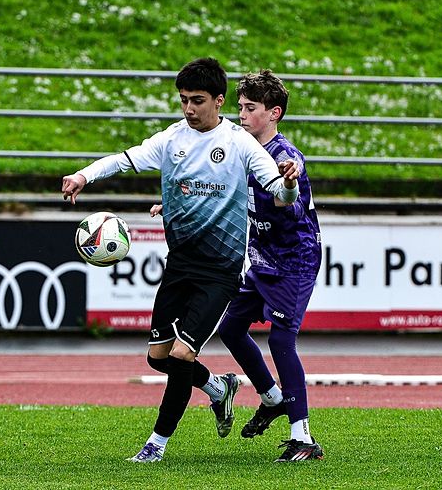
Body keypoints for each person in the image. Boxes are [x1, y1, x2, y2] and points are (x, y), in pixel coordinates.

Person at [62, 57, 300, 463]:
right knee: (157, 358)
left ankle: (155, 446)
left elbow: (280, 192)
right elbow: (124, 159)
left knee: (181, 355)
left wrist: (290, 183)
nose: (189, 108)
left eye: (197, 100)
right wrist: (84, 175)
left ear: (219, 101)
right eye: (184, 100)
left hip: (220, 270)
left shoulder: (239, 144)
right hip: (180, 265)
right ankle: (218, 388)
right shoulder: (172, 138)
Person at [217, 70, 324, 462]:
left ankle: (303, 438)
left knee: (280, 341)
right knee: (230, 329)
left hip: (295, 261)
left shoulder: (285, 158)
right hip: (262, 259)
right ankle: (273, 398)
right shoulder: (244, 150)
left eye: (250, 108)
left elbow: (287, 202)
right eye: (240, 107)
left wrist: (288, 184)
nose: (241, 114)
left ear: (274, 113)